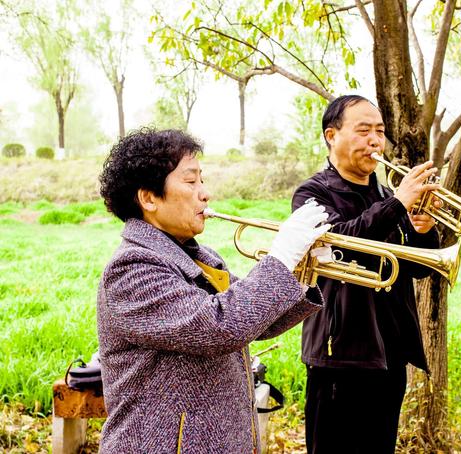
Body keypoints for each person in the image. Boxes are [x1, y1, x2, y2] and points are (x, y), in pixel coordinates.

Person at [96, 128, 330, 453]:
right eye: (191, 182)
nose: (205, 194)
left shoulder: (201, 257)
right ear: (148, 197)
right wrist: (281, 257)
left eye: (202, 181)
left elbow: (254, 324)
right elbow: (219, 327)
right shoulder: (132, 269)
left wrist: (304, 272)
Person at [292, 95, 441, 454]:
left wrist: (424, 229)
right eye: (363, 131)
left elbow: (418, 268)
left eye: (380, 131)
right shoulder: (311, 194)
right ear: (332, 135)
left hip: (389, 352)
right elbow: (341, 247)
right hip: (339, 352)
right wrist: (397, 205)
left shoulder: (387, 193)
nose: (375, 140)